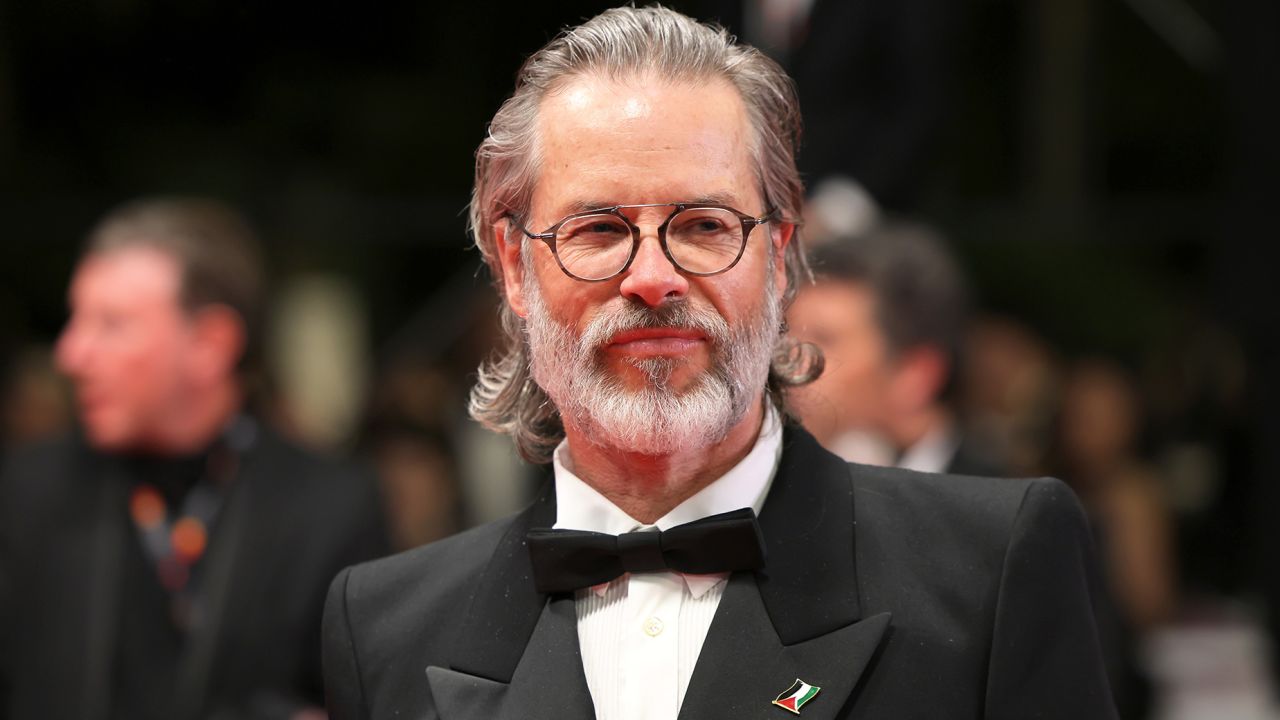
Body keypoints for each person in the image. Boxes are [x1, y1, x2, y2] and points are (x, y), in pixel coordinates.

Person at [321, 7, 1116, 719]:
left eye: (703, 224)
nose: (652, 277)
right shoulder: (385, 628)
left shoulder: (990, 571)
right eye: (598, 229)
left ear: (779, 254)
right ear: (513, 267)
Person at [0, 197, 389, 720]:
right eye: (76, 319)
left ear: (210, 344)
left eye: (110, 324)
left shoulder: (329, 509)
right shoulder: (27, 496)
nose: (71, 354)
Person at [787, 224, 1007, 476]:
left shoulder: (989, 507)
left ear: (914, 375)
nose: (787, 360)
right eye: (784, 332)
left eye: (823, 339)